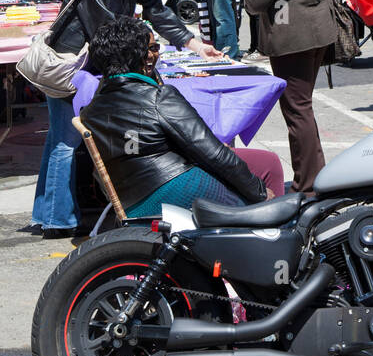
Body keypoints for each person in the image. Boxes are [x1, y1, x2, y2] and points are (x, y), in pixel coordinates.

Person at [32, 0, 222, 239]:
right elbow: (107, 32)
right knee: (66, 140)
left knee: (59, 138)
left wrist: (194, 44)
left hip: (75, 64)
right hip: (69, 65)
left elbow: (155, 10)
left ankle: (47, 214)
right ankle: (58, 220)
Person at [80, 18, 270, 219]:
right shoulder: (158, 97)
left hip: (129, 201)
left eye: (156, 47)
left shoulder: (90, 110)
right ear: (136, 55)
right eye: (151, 48)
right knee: (267, 177)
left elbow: (133, 149)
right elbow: (214, 155)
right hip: (176, 190)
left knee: (262, 162)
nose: (155, 54)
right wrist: (261, 194)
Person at [244, 0, 337, 193]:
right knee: (303, 108)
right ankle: (315, 176)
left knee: (297, 111)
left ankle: (308, 183)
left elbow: (255, 2)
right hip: (319, 28)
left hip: (292, 36)